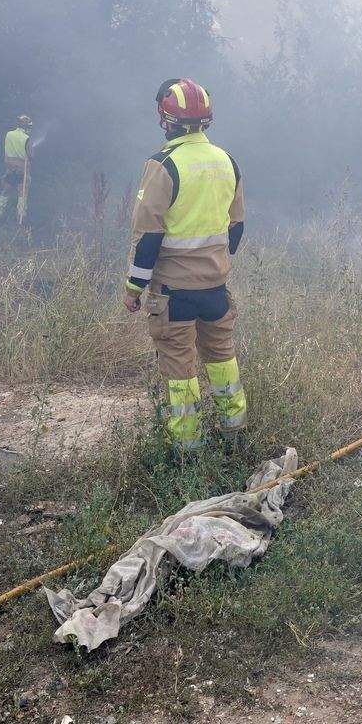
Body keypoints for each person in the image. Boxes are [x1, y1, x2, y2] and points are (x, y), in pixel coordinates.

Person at [122, 78, 247, 451]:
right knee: (222, 359)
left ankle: (187, 451)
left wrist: (133, 289)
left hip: (174, 294)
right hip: (215, 290)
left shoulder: (162, 165)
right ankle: (234, 436)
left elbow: (149, 237)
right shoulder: (227, 161)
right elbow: (236, 228)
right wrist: (214, 264)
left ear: (166, 119)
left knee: (179, 370)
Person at [0, 114, 33, 220]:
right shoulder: (27, 138)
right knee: (22, 193)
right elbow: (31, 156)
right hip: (23, 170)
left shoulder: (8, 134)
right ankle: (21, 216)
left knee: (6, 191)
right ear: (26, 127)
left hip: (9, 169)